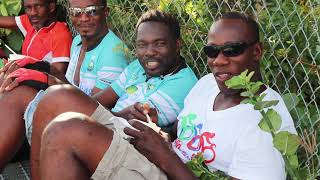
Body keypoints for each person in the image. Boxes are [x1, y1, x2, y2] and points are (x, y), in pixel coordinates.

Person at [37, 12, 298, 180]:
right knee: (58, 107)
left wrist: (166, 156)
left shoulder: (265, 122)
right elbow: (182, 131)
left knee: (65, 131)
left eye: (233, 50)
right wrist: (162, 134)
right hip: (161, 158)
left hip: (170, 169)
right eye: (212, 51)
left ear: (257, 52)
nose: (219, 61)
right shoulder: (208, 84)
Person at [30, 9, 198, 180]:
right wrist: (54, 79)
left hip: (132, 144)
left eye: (159, 44)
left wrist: (58, 85)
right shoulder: (137, 67)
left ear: (177, 45)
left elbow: (137, 129)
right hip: (114, 123)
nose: (149, 52)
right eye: (142, 45)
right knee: (55, 97)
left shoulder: (182, 83)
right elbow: (99, 101)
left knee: (60, 112)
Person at [0, 0, 129, 172]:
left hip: (92, 129)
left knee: (20, 95)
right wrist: (36, 65)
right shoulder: (77, 42)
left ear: (105, 12)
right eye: (76, 12)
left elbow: (96, 109)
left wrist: (44, 77)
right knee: (13, 82)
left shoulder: (113, 51)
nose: (83, 18)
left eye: (91, 11)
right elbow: (68, 85)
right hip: (68, 113)